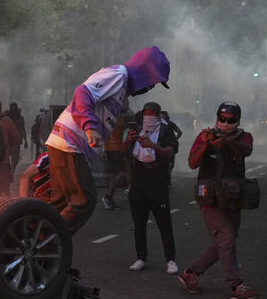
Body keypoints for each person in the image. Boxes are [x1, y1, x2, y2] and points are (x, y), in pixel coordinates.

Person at [44, 46, 171, 234]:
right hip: (70, 142)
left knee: (60, 203)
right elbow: (82, 93)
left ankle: (46, 253)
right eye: (152, 81)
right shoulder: (119, 75)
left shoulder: (123, 89)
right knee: (83, 201)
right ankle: (48, 242)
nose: (150, 87)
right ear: (143, 70)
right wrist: (90, 127)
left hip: (67, 143)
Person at [178, 102, 257, 299]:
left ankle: (191, 272)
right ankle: (235, 284)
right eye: (222, 119)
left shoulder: (243, 137)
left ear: (237, 121)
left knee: (223, 242)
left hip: (232, 197)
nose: (225, 123)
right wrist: (206, 143)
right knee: (226, 239)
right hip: (210, 198)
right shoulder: (206, 136)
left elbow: (246, 150)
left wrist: (226, 142)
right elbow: (192, 162)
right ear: (216, 118)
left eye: (230, 120)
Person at [124, 102, 178, 273]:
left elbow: (170, 151)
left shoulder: (165, 130)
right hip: (139, 184)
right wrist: (129, 140)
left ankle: (170, 259)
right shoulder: (137, 130)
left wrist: (153, 146)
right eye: (146, 113)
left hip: (158, 184)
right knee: (139, 223)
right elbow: (123, 151)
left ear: (158, 114)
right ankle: (141, 257)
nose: (148, 117)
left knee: (164, 223)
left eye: (151, 113)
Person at [101, 110, 133, 210]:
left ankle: (109, 198)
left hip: (114, 148)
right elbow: (105, 132)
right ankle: (108, 196)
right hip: (115, 149)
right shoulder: (112, 116)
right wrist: (104, 149)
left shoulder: (115, 116)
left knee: (114, 173)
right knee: (122, 173)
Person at [6, 103, 28, 169]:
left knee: (12, 156)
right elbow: (23, 129)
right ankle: (11, 170)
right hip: (13, 139)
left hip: (12, 139)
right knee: (14, 157)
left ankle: (11, 170)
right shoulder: (19, 118)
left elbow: (23, 129)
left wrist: (26, 140)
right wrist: (25, 141)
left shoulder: (6, 117)